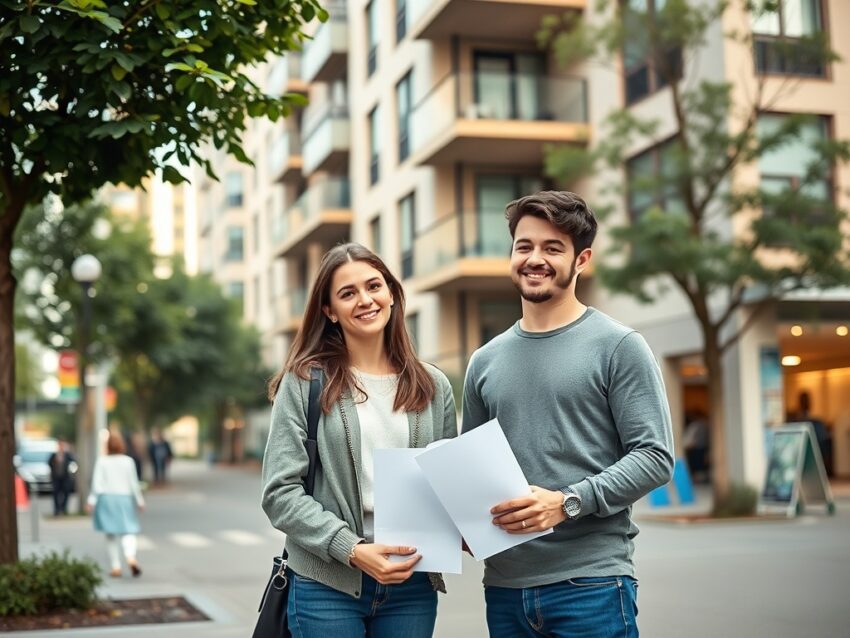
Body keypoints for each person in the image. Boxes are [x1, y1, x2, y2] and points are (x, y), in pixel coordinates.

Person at [461, 191, 675, 638]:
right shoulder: (484, 361)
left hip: (591, 585)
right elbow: (472, 470)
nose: (534, 259)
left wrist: (567, 503)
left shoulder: (619, 346)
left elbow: (654, 457)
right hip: (505, 589)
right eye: (524, 246)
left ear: (582, 260)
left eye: (552, 248)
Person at [262, 243, 457, 638]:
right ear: (330, 311)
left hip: (411, 582)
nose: (365, 300)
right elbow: (280, 493)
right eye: (348, 293)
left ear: (392, 294)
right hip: (326, 584)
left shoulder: (433, 385)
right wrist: (351, 549)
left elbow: (448, 481)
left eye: (374, 286)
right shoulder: (304, 382)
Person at [86, 432, 145, 578]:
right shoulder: (128, 461)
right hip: (124, 499)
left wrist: (91, 501)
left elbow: (97, 484)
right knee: (128, 531)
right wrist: (140, 501)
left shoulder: (102, 461)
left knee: (110, 534)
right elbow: (133, 483)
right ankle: (130, 556)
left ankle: (116, 566)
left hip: (107, 499)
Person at [47, 438, 76, 516]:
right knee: (56, 494)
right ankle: (57, 510)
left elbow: (73, 462)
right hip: (56, 478)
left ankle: (63, 509)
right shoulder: (54, 455)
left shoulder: (67, 455)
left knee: (66, 493)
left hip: (65, 478)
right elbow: (49, 463)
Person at [683, 410, 710, 484]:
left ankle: (698, 481)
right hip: (702, 448)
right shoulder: (706, 424)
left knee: (697, 466)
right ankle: (700, 481)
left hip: (695, 448)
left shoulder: (695, 425)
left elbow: (690, 439)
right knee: (700, 466)